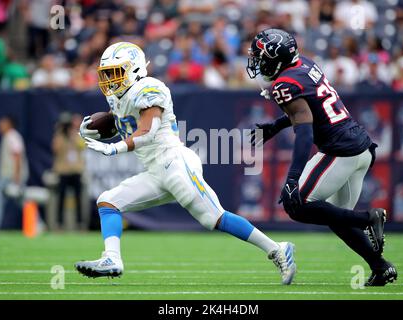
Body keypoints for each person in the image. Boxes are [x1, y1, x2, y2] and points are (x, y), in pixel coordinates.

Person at [75, 42, 296, 285]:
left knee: (214, 217)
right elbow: (121, 122)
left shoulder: (149, 87)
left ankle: (277, 249)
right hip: (156, 171)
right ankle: (112, 259)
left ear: (134, 69)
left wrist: (113, 147)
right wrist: (95, 131)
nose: (110, 79)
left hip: (175, 162)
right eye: (107, 73)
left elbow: (147, 131)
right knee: (108, 201)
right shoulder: (119, 98)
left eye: (115, 72)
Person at [247, 28, 397, 286]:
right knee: (336, 216)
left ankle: (369, 218)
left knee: (297, 203)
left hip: (341, 151)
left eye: (261, 57)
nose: (258, 62)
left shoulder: (284, 84)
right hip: (359, 147)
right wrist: (276, 126)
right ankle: (381, 267)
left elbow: (304, 132)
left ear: (276, 58)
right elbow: (308, 109)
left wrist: (292, 179)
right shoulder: (304, 63)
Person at [0, 115, 29, 233]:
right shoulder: (9, 136)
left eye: (3, 122)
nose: (0, 124)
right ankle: (37, 223)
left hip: (10, 175)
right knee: (22, 200)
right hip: (10, 175)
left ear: (9, 124)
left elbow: (17, 155)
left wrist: (17, 176)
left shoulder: (12, 136)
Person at [52, 113, 86, 230]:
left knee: (78, 198)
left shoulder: (77, 135)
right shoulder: (60, 136)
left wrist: (73, 133)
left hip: (76, 170)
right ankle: (59, 223)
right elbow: (55, 149)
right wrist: (60, 132)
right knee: (61, 198)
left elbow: (82, 146)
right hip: (63, 171)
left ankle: (80, 223)